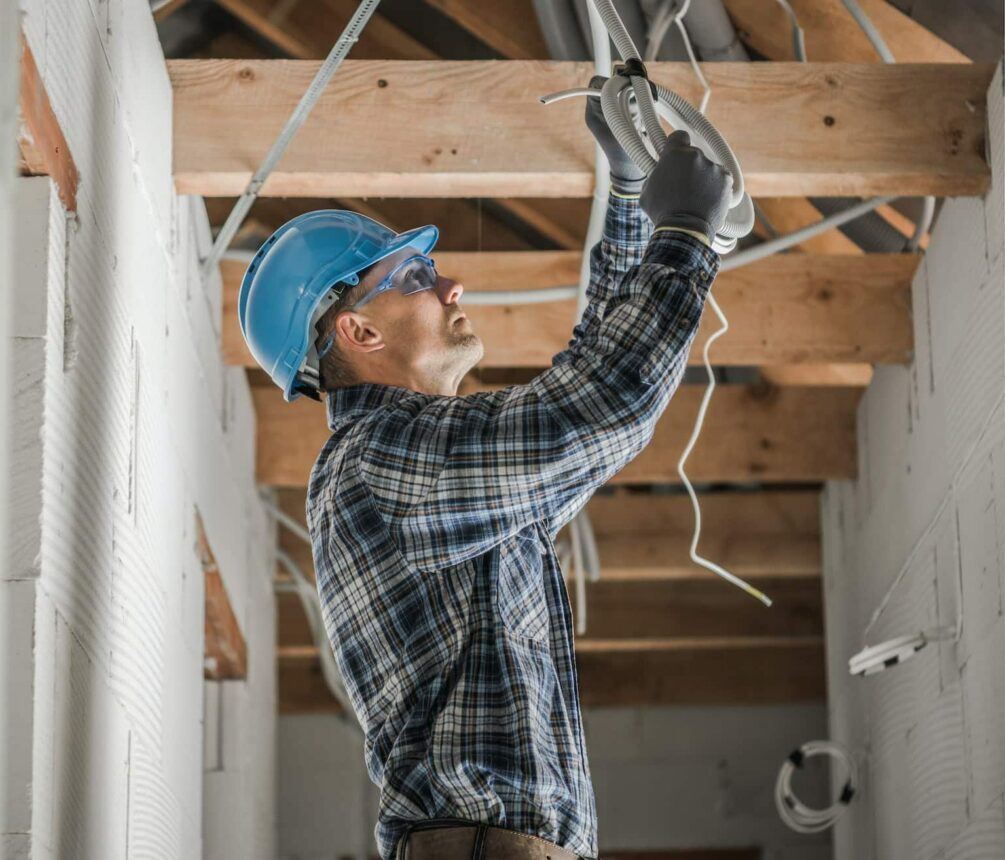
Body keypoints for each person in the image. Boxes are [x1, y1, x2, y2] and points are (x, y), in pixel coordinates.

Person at [239, 75, 733, 860]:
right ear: (359, 331)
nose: (449, 284)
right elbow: (603, 405)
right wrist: (683, 238)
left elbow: (589, 375)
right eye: (412, 277)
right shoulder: (382, 461)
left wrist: (635, 202)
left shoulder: (425, 471)